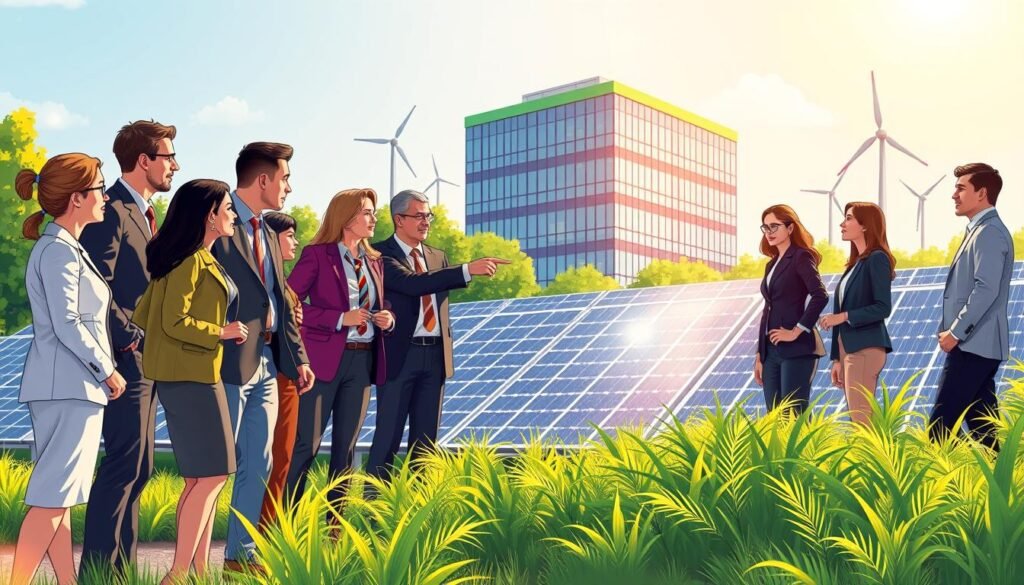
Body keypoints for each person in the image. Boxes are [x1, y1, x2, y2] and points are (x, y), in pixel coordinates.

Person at [9, 154, 127, 585]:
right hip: (70, 388)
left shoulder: (66, 248)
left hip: (66, 387)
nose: (105, 198)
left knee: (60, 496)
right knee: (52, 499)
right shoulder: (59, 252)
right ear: (76, 198)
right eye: (98, 189)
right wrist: (107, 371)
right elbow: (68, 323)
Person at [131, 179, 246, 584]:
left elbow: (144, 314)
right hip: (192, 376)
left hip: (192, 373)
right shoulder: (191, 262)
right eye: (228, 208)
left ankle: (196, 570)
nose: (233, 215)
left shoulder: (196, 259)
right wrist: (221, 331)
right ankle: (178, 573)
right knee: (214, 474)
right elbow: (170, 321)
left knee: (201, 476)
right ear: (209, 215)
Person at [79, 120, 179, 575]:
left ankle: (120, 571)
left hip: (150, 357)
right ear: (144, 161)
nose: (174, 165)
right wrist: (130, 338)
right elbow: (95, 287)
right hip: (126, 358)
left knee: (138, 469)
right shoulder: (113, 211)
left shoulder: (144, 214)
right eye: (168, 157)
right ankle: (98, 572)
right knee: (124, 465)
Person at [212, 142, 312, 572]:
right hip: (226, 360)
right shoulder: (216, 221)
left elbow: (280, 301)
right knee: (217, 466)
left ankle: (241, 555)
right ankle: (193, 558)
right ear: (264, 180)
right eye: (285, 178)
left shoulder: (268, 233)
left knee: (260, 460)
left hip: (268, 361)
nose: (288, 187)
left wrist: (299, 358)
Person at [365, 189, 507, 485]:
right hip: (399, 358)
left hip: (435, 358)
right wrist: (468, 270)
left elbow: (436, 289)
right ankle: (373, 509)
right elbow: (412, 283)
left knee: (426, 442)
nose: (425, 221)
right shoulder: (379, 254)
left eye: (428, 215)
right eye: (419, 216)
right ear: (398, 219)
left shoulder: (437, 256)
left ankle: (420, 504)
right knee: (387, 437)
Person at [285, 188, 395, 521]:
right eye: (366, 212)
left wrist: (387, 318)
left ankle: (335, 527)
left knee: (346, 450)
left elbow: (381, 303)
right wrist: (338, 319)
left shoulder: (374, 261)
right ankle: (285, 522)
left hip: (362, 362)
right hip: (323, 362)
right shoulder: (317, 255)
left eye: (373, 212)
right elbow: (290, 301)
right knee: (306, 445)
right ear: (346, 217)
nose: (373, 218)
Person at [930, 163, 1013, 451]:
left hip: (973, 345)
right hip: (977, 346)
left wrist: (956, 332)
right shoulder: (980, 230)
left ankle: (956, 488)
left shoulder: (988, 233)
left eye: (961, 188)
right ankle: (1001, 487)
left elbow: (985, 289)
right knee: (984, 430)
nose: (954, 194)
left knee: (939, 429)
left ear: (982, 193)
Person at [818, 202, 895, 425]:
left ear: (865, 225)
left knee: (861, 420)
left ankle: (871, 459)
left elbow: (883, 307)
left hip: (865, 347)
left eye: (849, 218)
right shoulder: (854, 266)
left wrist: (842, 317)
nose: (842, 224)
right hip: (849, 350)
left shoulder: (877, 259)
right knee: (858, 417)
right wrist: (837, 359)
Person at [753, 204, 828, 415]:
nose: (769, 233)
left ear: (790, 228)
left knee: (794, 414)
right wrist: (760, 354)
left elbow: (820, 295)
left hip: (797, 349)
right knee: (774, 416)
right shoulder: (771, 264)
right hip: (771, 351)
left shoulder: (801, 257)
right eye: (765, 228)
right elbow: (768, 309)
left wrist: (796, 330)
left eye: (774, 226)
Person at [258, 211, 307, 529]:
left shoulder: (285, 286)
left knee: (282, 458)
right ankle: (257, 534)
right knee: (268, 458)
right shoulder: (265, 282)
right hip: (269, 371)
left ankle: (268, 531)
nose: (296, 242)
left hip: (287, 374)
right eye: (290, 235)